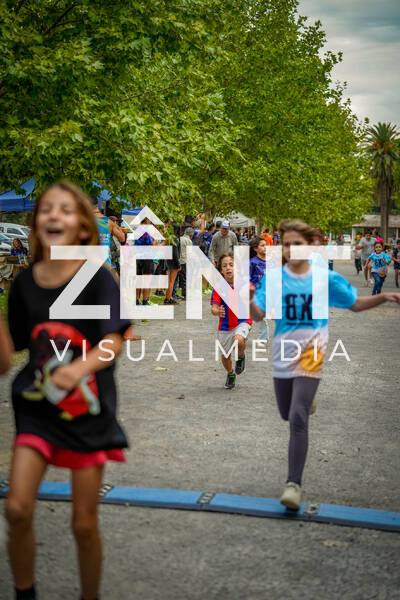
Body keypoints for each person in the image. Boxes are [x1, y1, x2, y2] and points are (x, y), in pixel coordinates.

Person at [6, 181, 131, 600]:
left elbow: (113, 342)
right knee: (16, 509)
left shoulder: (97, 280)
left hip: (87, 413)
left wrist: (80, 367)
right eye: (45, 209)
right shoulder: (25, 284)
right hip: (36, 410)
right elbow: (8, 357)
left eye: (64, 209)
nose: (53, 215)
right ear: (36, 224)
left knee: (83, 524)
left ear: (82, 227)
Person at [250, 218, 400, 511]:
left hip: (312, 349)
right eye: (287, 244)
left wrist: (384, 296)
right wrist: (250, 300)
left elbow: (354, 304)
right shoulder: (275, 278)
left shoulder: (324, 278)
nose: (291, 249)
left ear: (310, 246)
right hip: (283, 350)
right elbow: (258, 314)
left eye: (297, 244)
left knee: (298, 416)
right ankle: (306, 397)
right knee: (286, 413)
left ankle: (293, 484)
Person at [211, 253, 252, 389]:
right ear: (221, 271)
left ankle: (240, 356)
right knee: (225, 356)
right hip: (225, 326)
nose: (228, 268)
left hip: (243, 320)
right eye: (224, 266)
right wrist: (217, 311)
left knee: (238, 339)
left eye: (231, 265)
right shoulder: (219, 287)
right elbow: (214, 308)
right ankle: (230, 373)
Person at [91, 196, 126, 269]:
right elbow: (122, 238)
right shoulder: (109, 223)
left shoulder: (84, 221)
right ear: (97, 205)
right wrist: (118, 227)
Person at [134, 217, 155, 306]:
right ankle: (145, 301)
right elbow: (151, 245)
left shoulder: (137, 229)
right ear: (146, 220)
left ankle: (137, 300)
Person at [164, 223, 181, 305]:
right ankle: (168, 298)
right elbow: (175, 254)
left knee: (169, 281)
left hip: (168, 260)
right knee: (172, 281)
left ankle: (167, 297)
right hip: (173, 262)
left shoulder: (168, 239)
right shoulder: (175, 239)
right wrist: (178, 265)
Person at [178, 227, 194, 300]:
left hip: (178, 260)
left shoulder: (180, 238)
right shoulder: (189, 241)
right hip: (185, 261)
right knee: (185, 278)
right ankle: (185, 295)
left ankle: (175, 294)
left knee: (178, 279)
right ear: (191, 234)